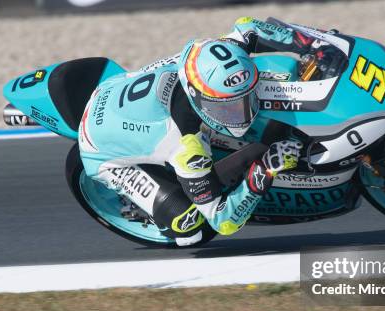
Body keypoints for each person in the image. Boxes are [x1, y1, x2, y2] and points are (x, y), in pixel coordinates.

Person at [78, 17, 315, 246]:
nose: (244, 113)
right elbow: (224, 222)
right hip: (99, 149)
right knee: (189, 226)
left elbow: (248, 26)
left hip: (114, 89)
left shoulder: (212, 55)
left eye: (245, 100)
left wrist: (309, 42)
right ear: (199, 100)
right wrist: (265, 169)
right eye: (229, 108)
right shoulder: (185, 147)